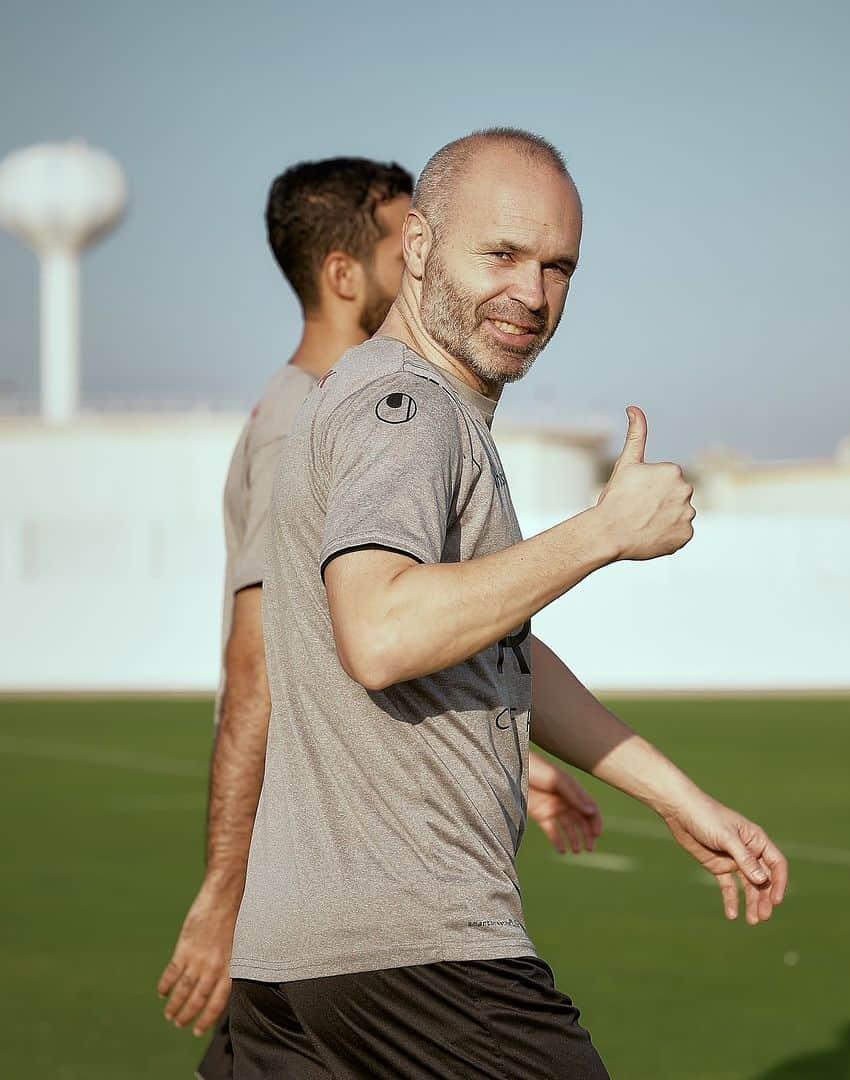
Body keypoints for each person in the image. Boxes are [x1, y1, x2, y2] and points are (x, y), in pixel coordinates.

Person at [229, 128, 788, 1079]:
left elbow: (494, 649)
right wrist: (600, 533)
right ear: (415, 246)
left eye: (557, 265)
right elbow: (383, 630)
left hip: (290, 974)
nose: (530, 294)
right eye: (501, 254)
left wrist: (674, 795)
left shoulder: (377, 400)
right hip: (424, 958)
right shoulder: (406, 409)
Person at [155, 156, 604, 1078]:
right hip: (398, 927)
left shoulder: (347, 405)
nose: (529, 290)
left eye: (556, 265)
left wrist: (505, 739)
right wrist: (225, 886)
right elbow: (271, 668)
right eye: (408, 241)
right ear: (347, 272)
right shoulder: (371, 412)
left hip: (316, 935)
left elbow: (383, 642)